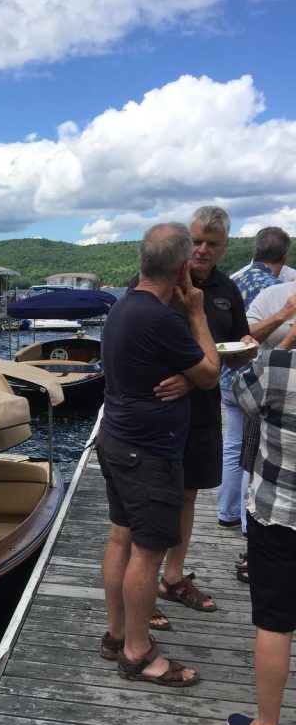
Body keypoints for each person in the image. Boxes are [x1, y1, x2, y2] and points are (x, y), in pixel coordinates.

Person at [97, 223, 219, 686]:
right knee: (147, 556)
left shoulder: (122, 307)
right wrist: (198, 312)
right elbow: (209, 373)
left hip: (117, 440)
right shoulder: (163, 319)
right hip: (149, 453)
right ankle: (137, 652)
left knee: (120, 540)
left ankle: (116, 636)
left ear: (142, 261)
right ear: (184, 267)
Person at [153, 206, 253, 614]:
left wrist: (246, 349)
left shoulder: (228, 291)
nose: (201, 250)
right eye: (195, 241)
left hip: (203, 406)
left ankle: (172, 577)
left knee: (188, 493)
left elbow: (235, 347)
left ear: (225, 247)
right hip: (157, 405)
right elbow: (138, 342)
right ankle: (140, 588)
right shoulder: (160, 282)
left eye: (212, 244)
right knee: (152, 496)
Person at [227, 333, 296, 725]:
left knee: (275, 621)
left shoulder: (277, 366)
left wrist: (285, 338)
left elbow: (240, 394)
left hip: (278, 514)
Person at [217, 228, 291, 532]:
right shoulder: (280, 291)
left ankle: (227, 512)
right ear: (284, 255)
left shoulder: (232, 282)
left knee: (233, 444)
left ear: (254, 250)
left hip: (227, 376)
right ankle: (250, 522)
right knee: (259, 451)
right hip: (265, 382)